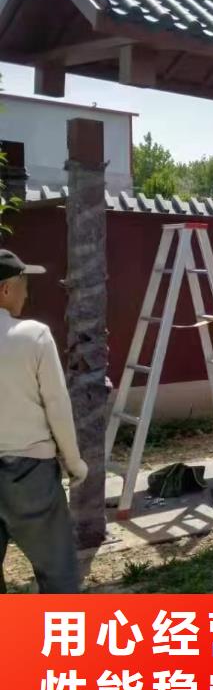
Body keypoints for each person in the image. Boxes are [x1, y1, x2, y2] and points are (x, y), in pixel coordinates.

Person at [0, 249, 88, 593]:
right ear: (5, 289)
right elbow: (57, 405)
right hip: (29, 472)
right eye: (24, 286)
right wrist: (74, 462)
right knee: (57, 572)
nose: (26, 295)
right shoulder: (33, 335)